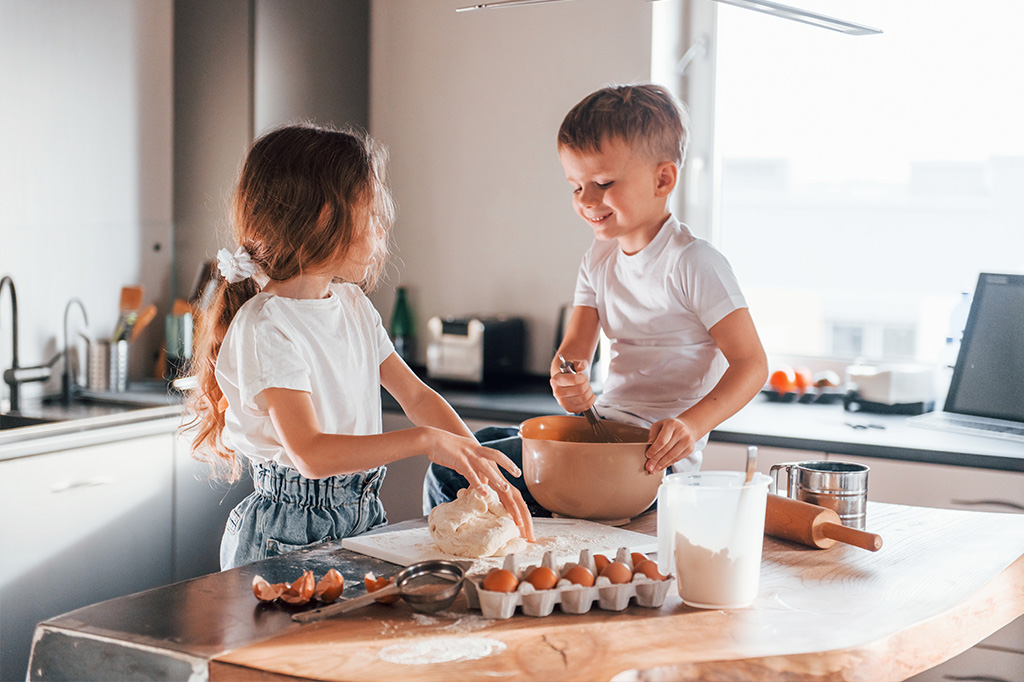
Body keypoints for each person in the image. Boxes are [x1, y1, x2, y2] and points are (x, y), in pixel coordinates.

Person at [185, 123, 533, 570]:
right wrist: (426, 441)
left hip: (364, 516)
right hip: (287, 535)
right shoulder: (267, 326)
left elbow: (416, 395)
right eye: (371, 213)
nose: (382, 228)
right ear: (324, 217)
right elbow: (310, 454)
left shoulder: (351, 304)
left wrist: (476, 464)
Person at [424, 84, 767, 514]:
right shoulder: (599, 257)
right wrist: (567, 378)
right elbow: (573, 353)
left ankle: (458, 560)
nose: (586, 201)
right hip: (603, 431)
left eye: (603, 183)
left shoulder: (694, 262)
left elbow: (752, 364)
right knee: (484, 440)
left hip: (649, 459)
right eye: (575, 186)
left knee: (452, 468)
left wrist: (691, 426)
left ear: (663, 179)